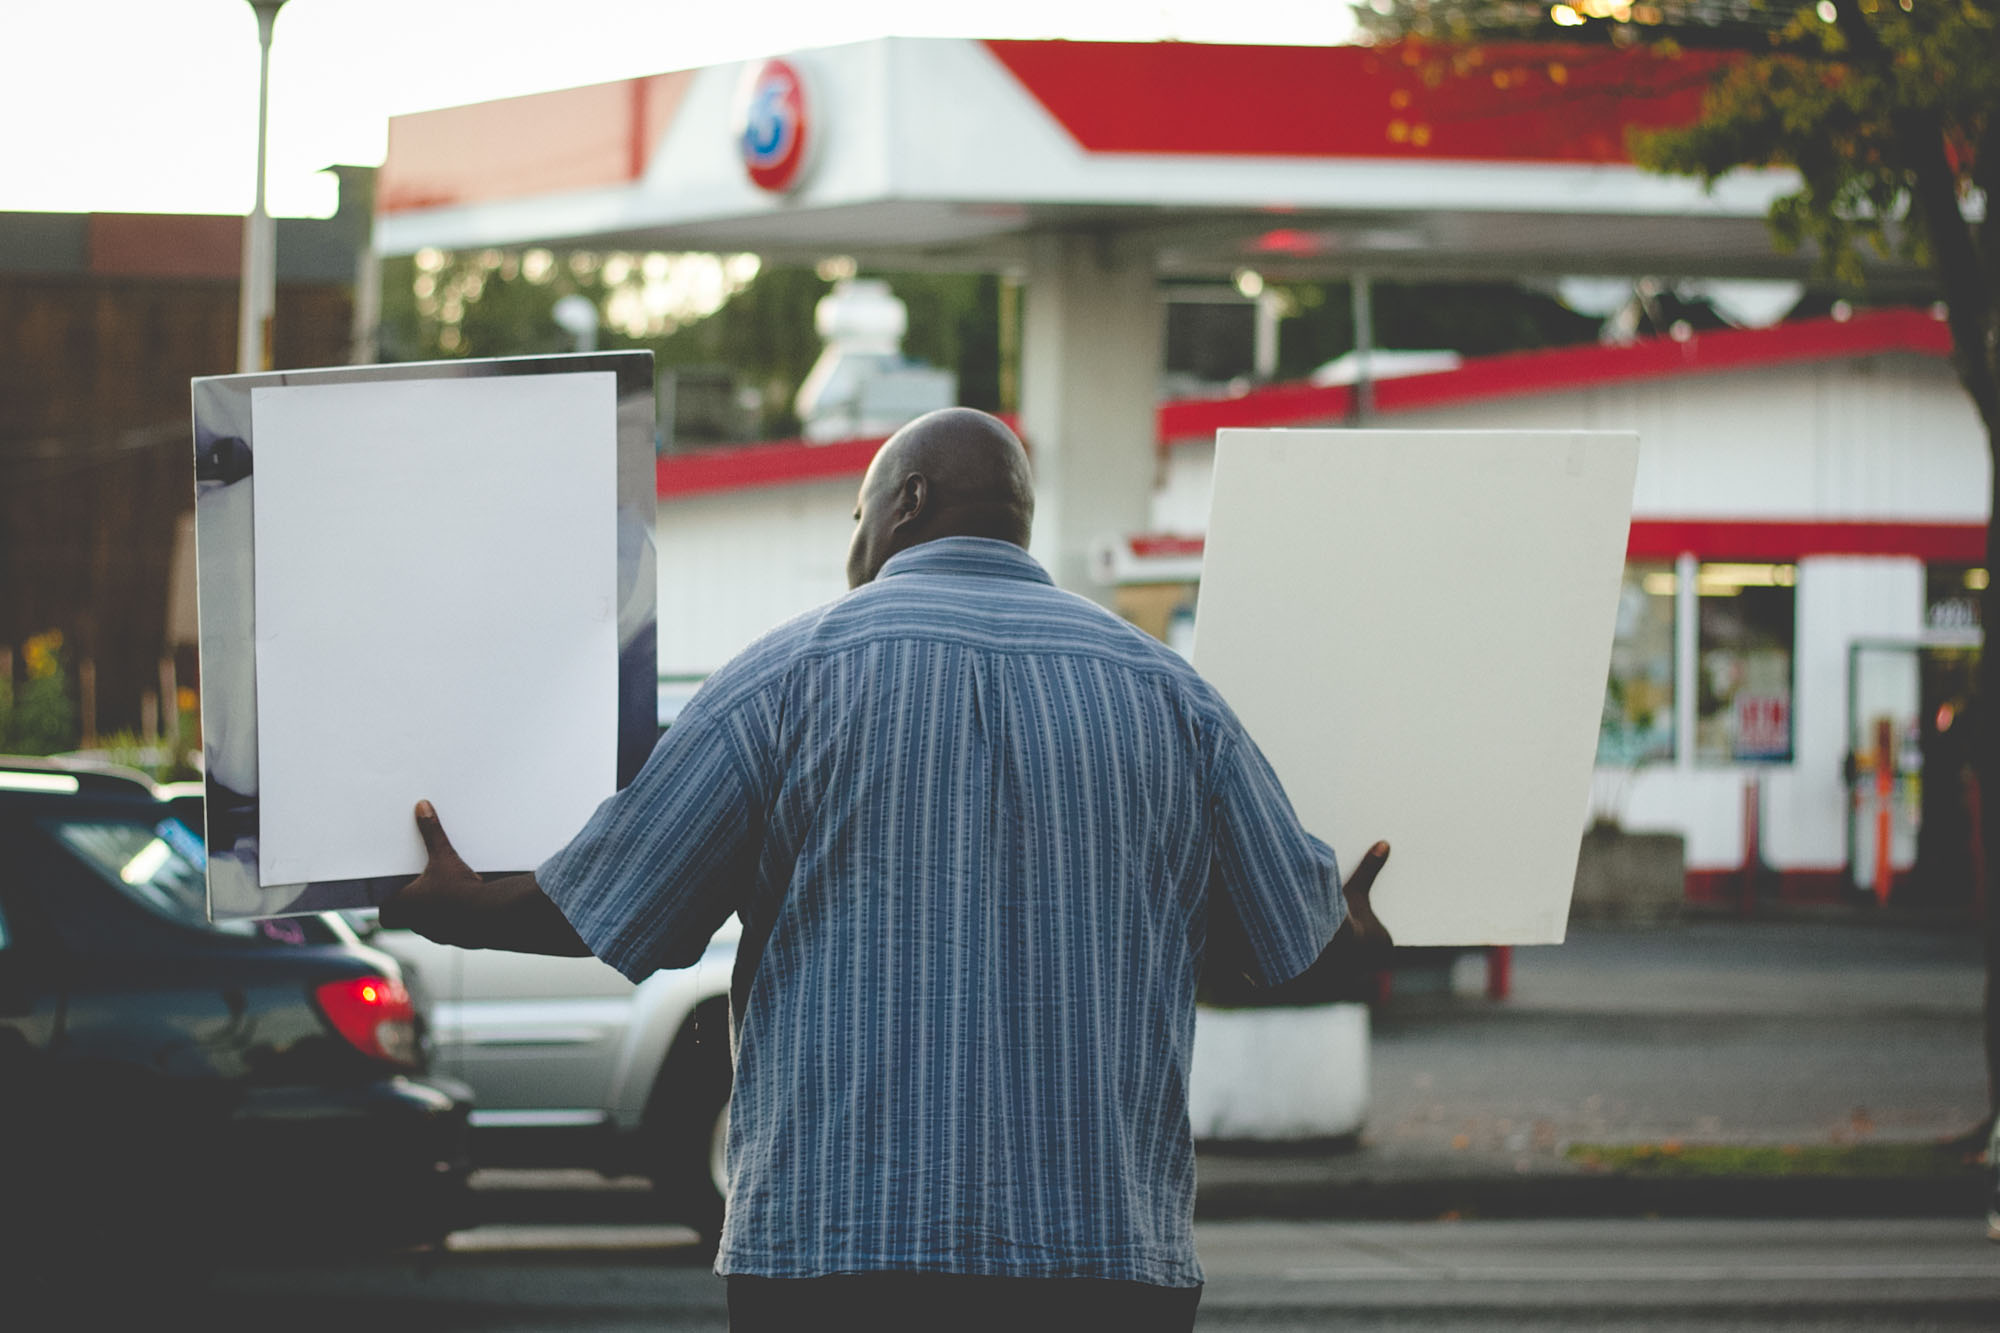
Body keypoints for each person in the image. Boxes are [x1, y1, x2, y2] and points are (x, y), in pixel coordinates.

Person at [381, 406, 1390, 1331]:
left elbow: (611, 903)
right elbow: (1294, 956)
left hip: (838, 1258)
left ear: (904, 503)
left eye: (856, 514)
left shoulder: (785, 680)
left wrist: (459, 907)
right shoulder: (1174, 701)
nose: (851, 546)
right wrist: (1351, 932)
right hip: (1104, 1257)